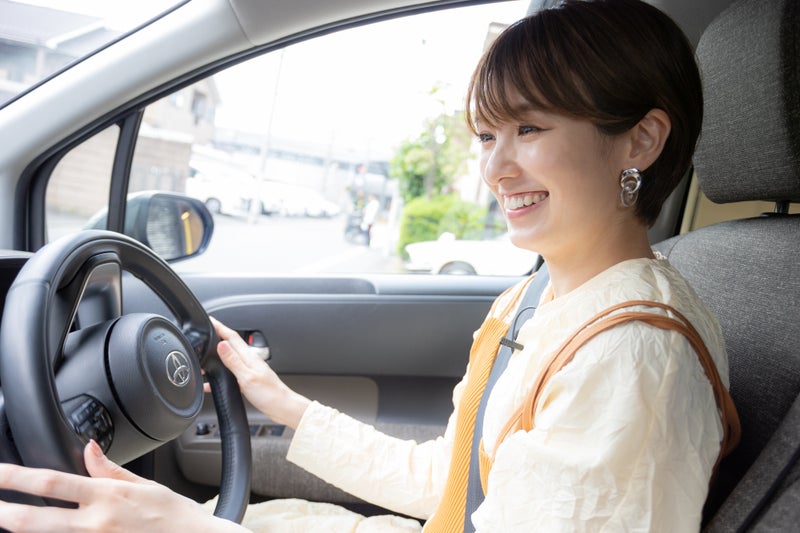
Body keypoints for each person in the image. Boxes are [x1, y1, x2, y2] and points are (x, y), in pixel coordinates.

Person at [0, 0, 739, 531]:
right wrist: (283, 403)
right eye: (485, 135)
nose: (496, 167)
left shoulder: (637, 358)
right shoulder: (541, 293)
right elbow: (453, 483)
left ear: (640, 141)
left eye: (529, 127)